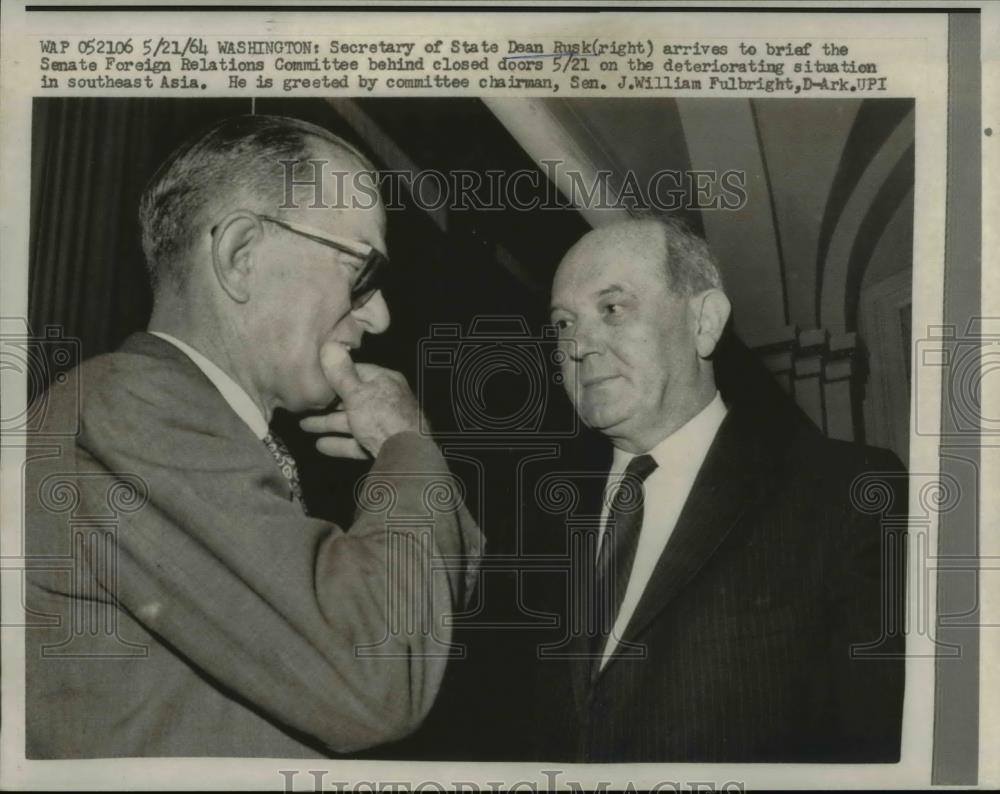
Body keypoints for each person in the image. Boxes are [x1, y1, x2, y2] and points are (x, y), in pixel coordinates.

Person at [25, 115, 482, 758]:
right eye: (361, 272)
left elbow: (432, 613)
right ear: (242, 258)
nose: (378, 314)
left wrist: (408, 458)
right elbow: (378, 671)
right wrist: (406, 449)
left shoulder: (185, 428)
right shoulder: (130, 407)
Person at [538, 217, 906, 762]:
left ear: (704, 321)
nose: (580, 345)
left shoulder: (846, 494)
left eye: (612, 309)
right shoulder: (536, 518)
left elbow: (878, 747)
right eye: (564, 323)